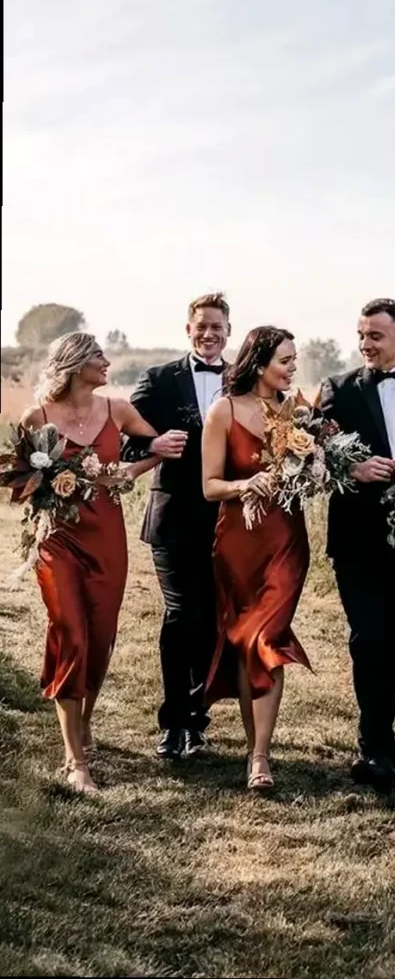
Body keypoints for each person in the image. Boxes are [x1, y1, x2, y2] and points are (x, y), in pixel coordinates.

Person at [20, 333, 184, 792]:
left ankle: (84, 719)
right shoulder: (37, 418)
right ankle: (75, 761)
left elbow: (157, 446)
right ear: (75, 364)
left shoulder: (119, 410)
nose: (107, 361)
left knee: (100, 637)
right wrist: (44, 487)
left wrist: (132, 469)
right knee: (71, 633)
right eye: (98, 355)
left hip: (107, 538)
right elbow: (20, 479)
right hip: (58, 539)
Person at [317, 299, 395, 793]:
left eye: (376, 336)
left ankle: (383, 740)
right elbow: (314, 456)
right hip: (355, 535)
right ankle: (375, 745)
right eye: (361, 335)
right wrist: (354, 469)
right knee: (366, 637)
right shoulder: (338, 389)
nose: (366, 344)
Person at [202, 326, 312, 791]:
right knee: (247, 644)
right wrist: (245, 484)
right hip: (239, 543)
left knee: (268, 638)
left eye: (294, 359)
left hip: (287, 541)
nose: (292, 368)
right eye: (285, 360)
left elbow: (312, 474)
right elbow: (209, 486)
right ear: (260, 362)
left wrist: (316, 470)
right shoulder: (224, 411)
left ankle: (261, 755)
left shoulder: (300, 412)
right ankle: (255, 751)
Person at [124, 293, 231, 760]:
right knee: (181, 614)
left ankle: (197, 721)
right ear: (188, 330)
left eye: (216, 326)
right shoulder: (160, 379)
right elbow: (125, 442)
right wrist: (154, 444)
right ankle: (173, 723)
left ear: (228, 331)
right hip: (173, 519)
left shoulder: (242, 380)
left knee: (211, 621)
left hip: (227, 520)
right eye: (201, 326)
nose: (209, 333)